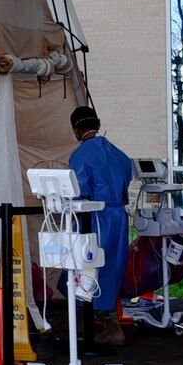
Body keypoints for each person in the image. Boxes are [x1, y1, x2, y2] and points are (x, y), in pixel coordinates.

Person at [68, 105, 133, 347]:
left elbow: (77, 190)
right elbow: (127, 176)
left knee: (85, 270)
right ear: (98, 122)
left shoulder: (82, 154)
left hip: (95, 218)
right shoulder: (117, 152)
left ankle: (102, 326)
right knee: (111, 270)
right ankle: (108, 322)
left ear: (75, 130)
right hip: (118, 217)